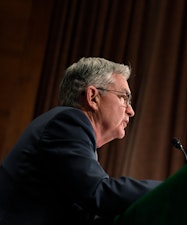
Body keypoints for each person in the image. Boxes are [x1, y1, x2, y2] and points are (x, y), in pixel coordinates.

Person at [0, 57, 162, 225]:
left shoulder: (70, 132)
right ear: (93, 97)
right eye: (123, 98)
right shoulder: (67, 123)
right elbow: (98, 193)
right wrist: (169, 189)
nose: (131, 111)